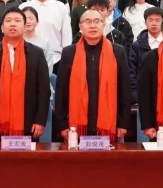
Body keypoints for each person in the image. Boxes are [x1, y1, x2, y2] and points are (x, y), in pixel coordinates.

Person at [55, 9, 131, 142]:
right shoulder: (69, 53)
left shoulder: (118, 51)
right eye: (88, 22)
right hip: (77, 126)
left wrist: (123, 123)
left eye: (97, 21)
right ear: (80, 26)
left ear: (104, 25)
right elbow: (61, 91)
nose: (92, 25)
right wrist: (62, 124)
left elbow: (124, 89)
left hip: (110, 124)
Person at [0, 7, 50, 141]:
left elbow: (44, 90)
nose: (13, 24)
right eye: (8, 21)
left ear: (25, 27)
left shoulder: (36, 53)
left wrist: (40, 121)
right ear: (2, 28)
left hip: (29, 124)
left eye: (17, 21)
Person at [20, 0, 72, 70]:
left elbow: (66, 34)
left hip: (56, 58)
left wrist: (66, 57)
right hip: (27, 57)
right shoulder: (24, 7)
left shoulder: (60, 7)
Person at [128, 7, 163, 103]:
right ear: (145, 23)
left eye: (158, 20)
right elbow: (132, 72)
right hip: (144, 94)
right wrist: (136, 95)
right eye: (150, 20)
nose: (154, 23)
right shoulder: (136, 46)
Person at [22, 6, 55, 74]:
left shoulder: (45, 42)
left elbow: (48, 68)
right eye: (25, 18)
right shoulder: (15, 41)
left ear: (37, 21)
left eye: (31, 18)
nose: (28, 21)